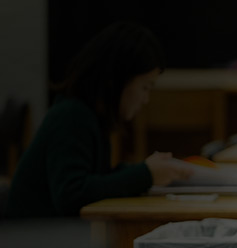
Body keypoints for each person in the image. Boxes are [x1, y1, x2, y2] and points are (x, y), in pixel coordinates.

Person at [5, 21, 192, 218]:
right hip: (31, 240)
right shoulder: (71, 116)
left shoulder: (90, 117)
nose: (146, 100)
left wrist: (147, 172)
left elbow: (97, 179)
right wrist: (144, 174)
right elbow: (71, 194)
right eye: (145, 87)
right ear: (117, 80)